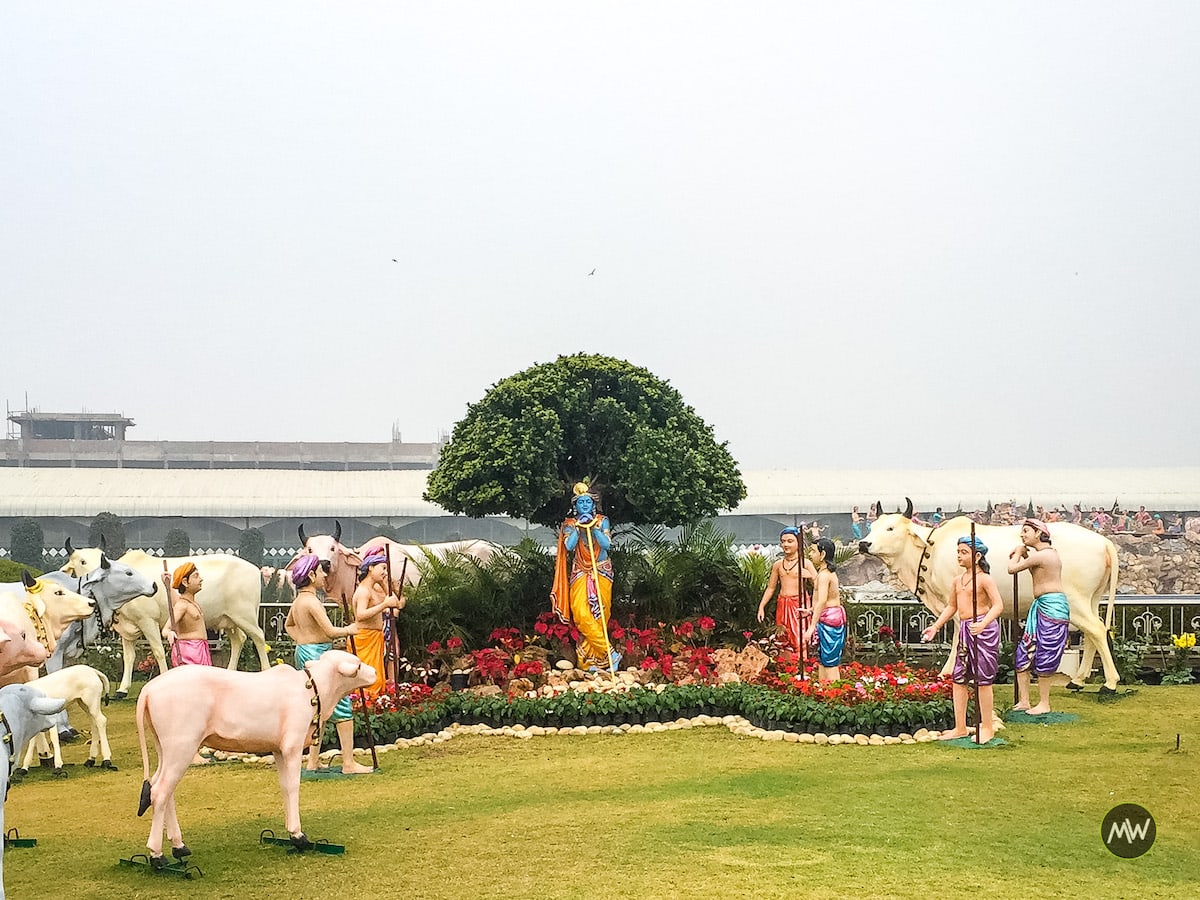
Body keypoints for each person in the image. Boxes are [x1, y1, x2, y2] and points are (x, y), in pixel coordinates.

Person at [285, 554, 374, 774]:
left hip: (305, 651)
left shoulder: (298, 602)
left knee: (317, 707)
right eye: (321, 571)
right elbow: (330, 631)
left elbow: (288, 625)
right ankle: (348, 762)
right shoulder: (312, 603)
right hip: (318, 654)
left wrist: (301, 639)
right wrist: (350, 629)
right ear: (311, 575)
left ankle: (313, 760)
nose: (325, 575)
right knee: (340, 704)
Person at [921, 536, 1004, 742]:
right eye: (958, 551)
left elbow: (998, 605)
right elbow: (952, 606)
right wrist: (936, 626)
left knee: (983, 680)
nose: (959, 556)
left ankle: (986, 727)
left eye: (964, 552)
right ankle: (960, 727)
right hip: (966, 630)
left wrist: (983, 624)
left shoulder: (985, 579)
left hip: (983, 630)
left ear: (977, 556)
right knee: (959, 678)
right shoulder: (958, 581)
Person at [551, 483, 620, 672]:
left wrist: (594, 528)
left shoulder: (601, 520)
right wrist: (580, 528)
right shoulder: (569, 524)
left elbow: (607, 545)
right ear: (576, 506)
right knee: (581, 613)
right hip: (580, 571)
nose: (584, 505)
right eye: (580, 502)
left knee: (600, 615)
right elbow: (570, 546)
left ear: (593, 505)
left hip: (601, 570)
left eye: (587, 502)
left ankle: (597, 661)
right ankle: (610, 653)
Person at [1007, 519, 1070, 715]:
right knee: (1023, 651)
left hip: (1052, 608)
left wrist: (1018, 552)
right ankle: (1024, 700)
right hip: (1040, 606)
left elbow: (1012, 568)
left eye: (1026, 531)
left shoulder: (1045, 556)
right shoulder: (1042, 555)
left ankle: (1044, 703)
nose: (1022, 535)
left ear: (1038, 533)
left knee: (1046, 653)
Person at [351, 546, 404, 698]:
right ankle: (366, 706)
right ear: (371, 567)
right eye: (383, 568)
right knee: (368, 681)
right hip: (365, 638)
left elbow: (397, 603)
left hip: (375, 638)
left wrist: (384, 584)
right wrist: (383, 605)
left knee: (378, 679)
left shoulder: (373, 589)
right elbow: (360, 615)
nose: (386, 573)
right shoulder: (363, 591)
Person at [757, 527, 817, 659]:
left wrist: (811, 577)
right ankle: (785, 668)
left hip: (799, 605)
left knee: (800, 638)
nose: (785, 545)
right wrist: (761, 606)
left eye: (790, 541)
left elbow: (819, 586)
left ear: (798, 543)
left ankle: (802, 669)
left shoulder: (806, 563)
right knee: (782, 637)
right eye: (783, 541)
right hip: (783, 604)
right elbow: (771, 588)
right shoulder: (778, 565)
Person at [803, 538, 845, 682]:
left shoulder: (825, 575)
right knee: (823, 659)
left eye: (813, 551)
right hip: (827, 617)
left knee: (830, 661)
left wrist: (811, 627)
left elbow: (822, 601)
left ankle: (833, 694)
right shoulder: (824, 574)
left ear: (822, 555)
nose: (810, 555)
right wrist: (810, 610)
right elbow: (821, 602)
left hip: (829, 620)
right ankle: (824, 690)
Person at [162, 561, 211, 667]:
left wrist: (168, 585)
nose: (200, 579)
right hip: (189, 651)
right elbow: (166, 629)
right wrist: (169, 633)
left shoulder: (189, 603)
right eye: (196, 576)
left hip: (200, 649)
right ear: (185, 582)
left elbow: (174, 596)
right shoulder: (182, 606)